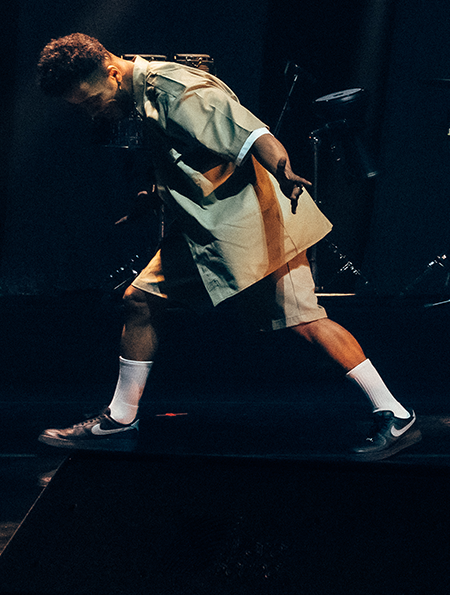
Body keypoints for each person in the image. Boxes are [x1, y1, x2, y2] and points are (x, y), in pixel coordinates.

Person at [35, 35, 418, 458]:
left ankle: (396, 413)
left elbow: (250, 133)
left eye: (92, 101)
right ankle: (120, 419)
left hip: (248, 225)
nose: (94, 112)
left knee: (301, 321)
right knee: (143, 301)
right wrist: (153, 197)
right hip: (221, 225)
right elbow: (191, 157)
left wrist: (284, 170)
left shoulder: (174, 91)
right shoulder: (145, 96)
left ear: (112, 73)